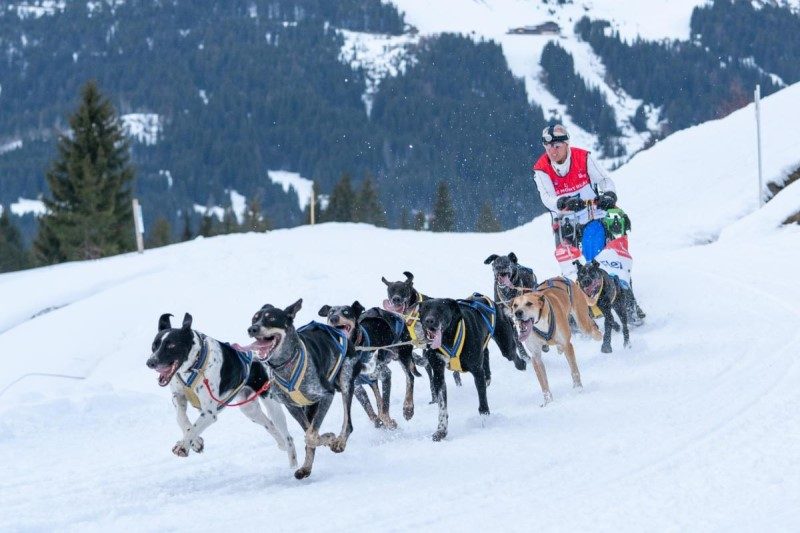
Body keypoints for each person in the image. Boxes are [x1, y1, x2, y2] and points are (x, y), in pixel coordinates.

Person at [532, 124, 644, 323]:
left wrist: (609, 195)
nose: (552, 150)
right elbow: (546, 197)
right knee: (569, 263)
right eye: (547, 146)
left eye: (556, 145)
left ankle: (627, 302)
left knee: (600, 258)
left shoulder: (583, 158)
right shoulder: (542, 168)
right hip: (565, 220)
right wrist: (562, 203)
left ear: (566, 144)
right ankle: (574, 312)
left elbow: (605, 180)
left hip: (592, 214)